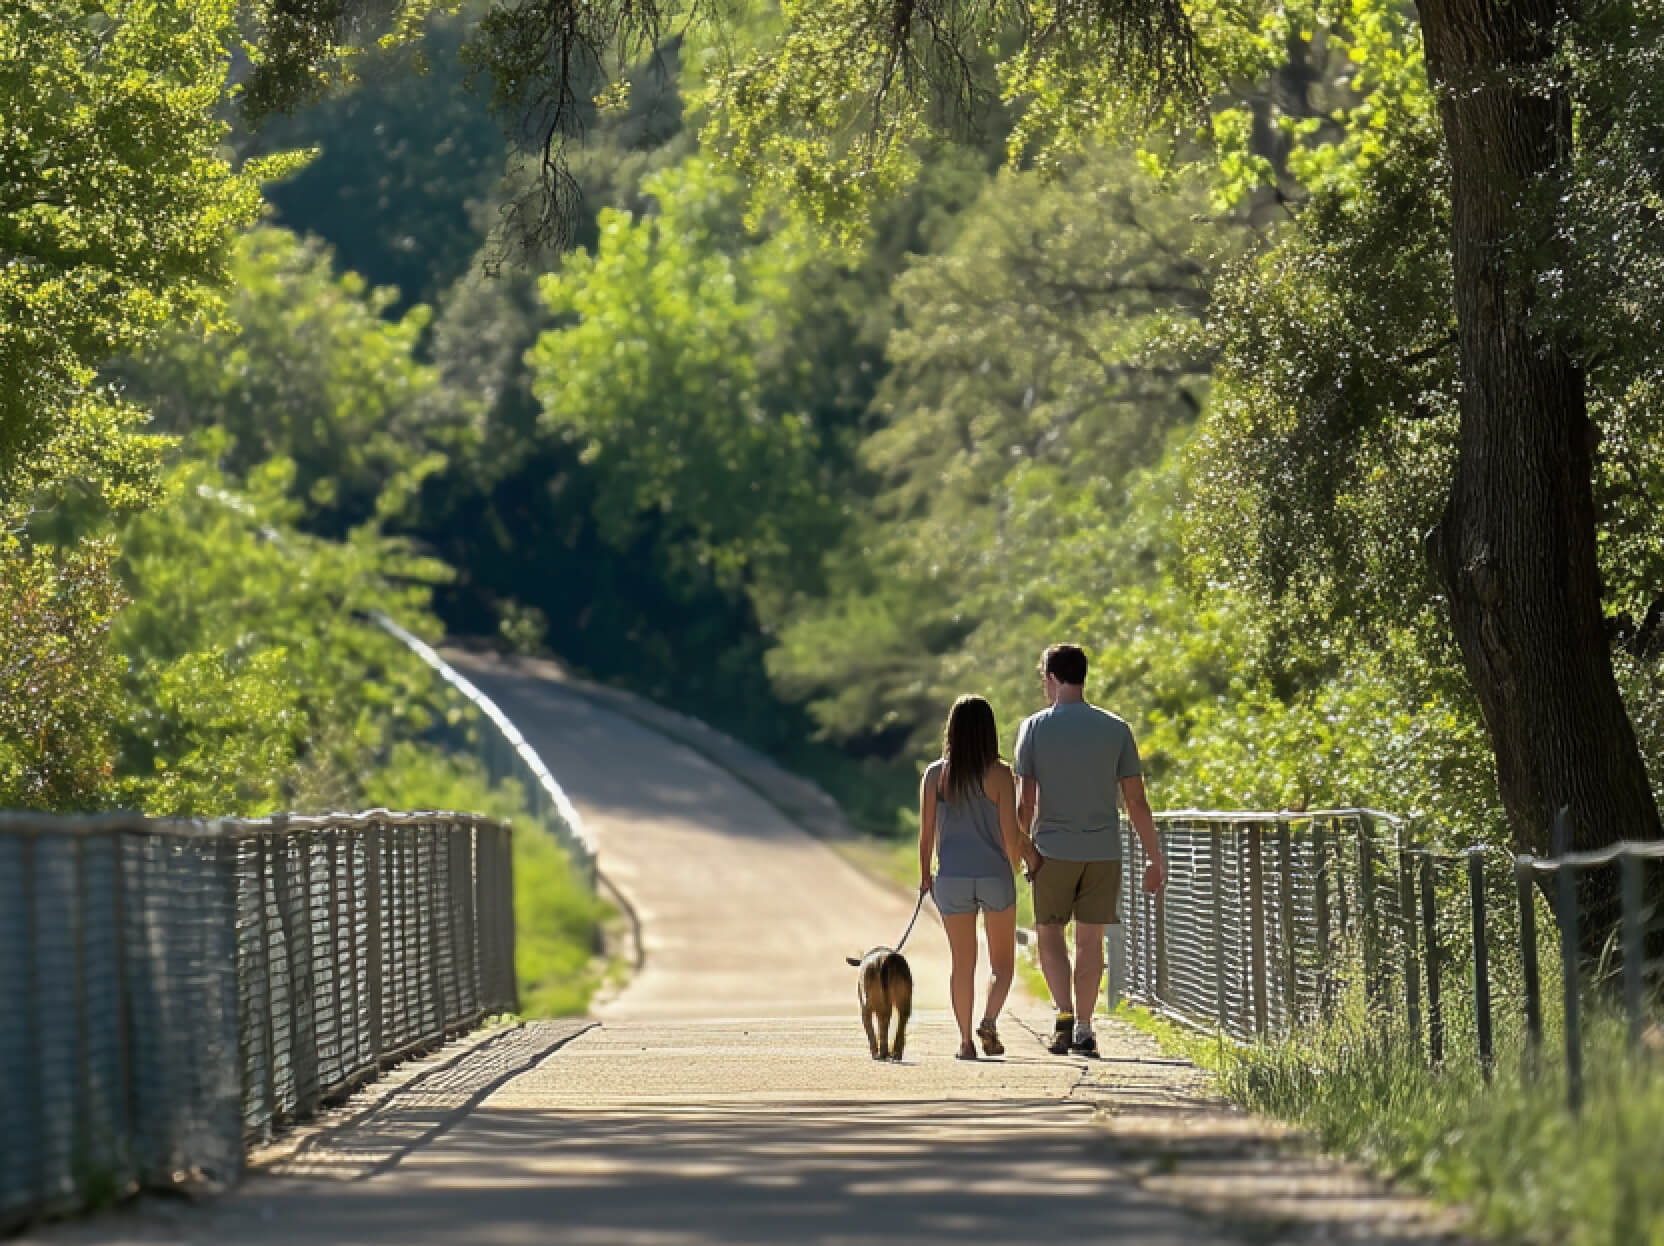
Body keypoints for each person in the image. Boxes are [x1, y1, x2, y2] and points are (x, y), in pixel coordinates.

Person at [1014, 644, 1167, 1057]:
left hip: (1052, 850)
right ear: (1083, 676)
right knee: (1090, 941)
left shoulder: (1034, 728)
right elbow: (1136, 801)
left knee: (1049, 935)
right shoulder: (1115, 728)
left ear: (1050, 677)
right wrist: (1154, 856)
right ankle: (1084, 1027)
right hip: (1103, 851)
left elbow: (1025, 802)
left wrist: (1019, 848)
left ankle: (1062, 1017)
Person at [918, 694, 1024, 1060]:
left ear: (952, 730)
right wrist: (1015, 868)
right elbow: (1012, 834)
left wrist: (924, 877)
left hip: (952, 878)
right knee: (1002, 965)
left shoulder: (935, 775)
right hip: (993, 875)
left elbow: (926, 832)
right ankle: (989, 1020)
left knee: (962, 965)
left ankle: (965, 1041)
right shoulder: (1000, 774)